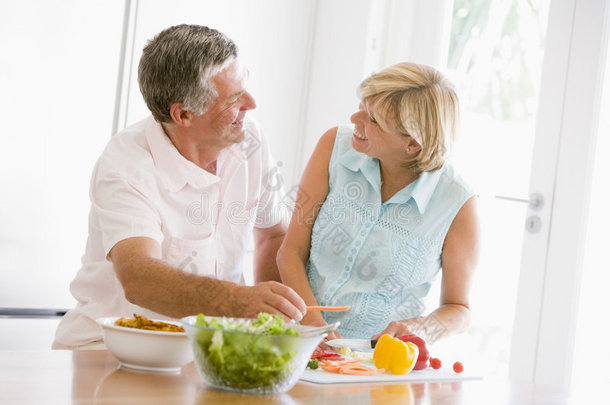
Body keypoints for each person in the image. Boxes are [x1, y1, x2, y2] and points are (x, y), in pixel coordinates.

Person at [53, 24, 306, 349]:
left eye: (246, 85)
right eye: (234, 98)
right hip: (108, 347)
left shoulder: (249, 139)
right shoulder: (126, 165)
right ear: (184, 114)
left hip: (205, 350)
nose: (251, 103)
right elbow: (139, 276)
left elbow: (273, 235)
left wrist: (273, 324)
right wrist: (241, 303)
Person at [277, 62, 480, 344]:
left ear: (413, 144)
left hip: (379, 361)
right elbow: (290, 252)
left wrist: (421, 329)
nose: (354, 118)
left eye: (373, 120)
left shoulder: (458, 201)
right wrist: (314, 326)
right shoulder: (334, 146)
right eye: (362, 106)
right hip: (298, 339)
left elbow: (459, 310)